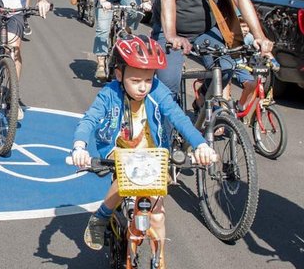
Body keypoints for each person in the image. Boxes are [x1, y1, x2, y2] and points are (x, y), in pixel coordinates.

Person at [71, 36, 216, 252]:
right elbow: (89, 120)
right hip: (119, 150)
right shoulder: (109, 94)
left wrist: (200, 145)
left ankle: (159, 268)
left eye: (148, 80)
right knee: (127, 176)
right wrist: (79, 146)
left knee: (157, 216)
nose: (143, 87)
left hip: (153, 152)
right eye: (136, 80)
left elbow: (178, 117)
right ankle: (101, 216)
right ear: (119, 74)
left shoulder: (157, 90)